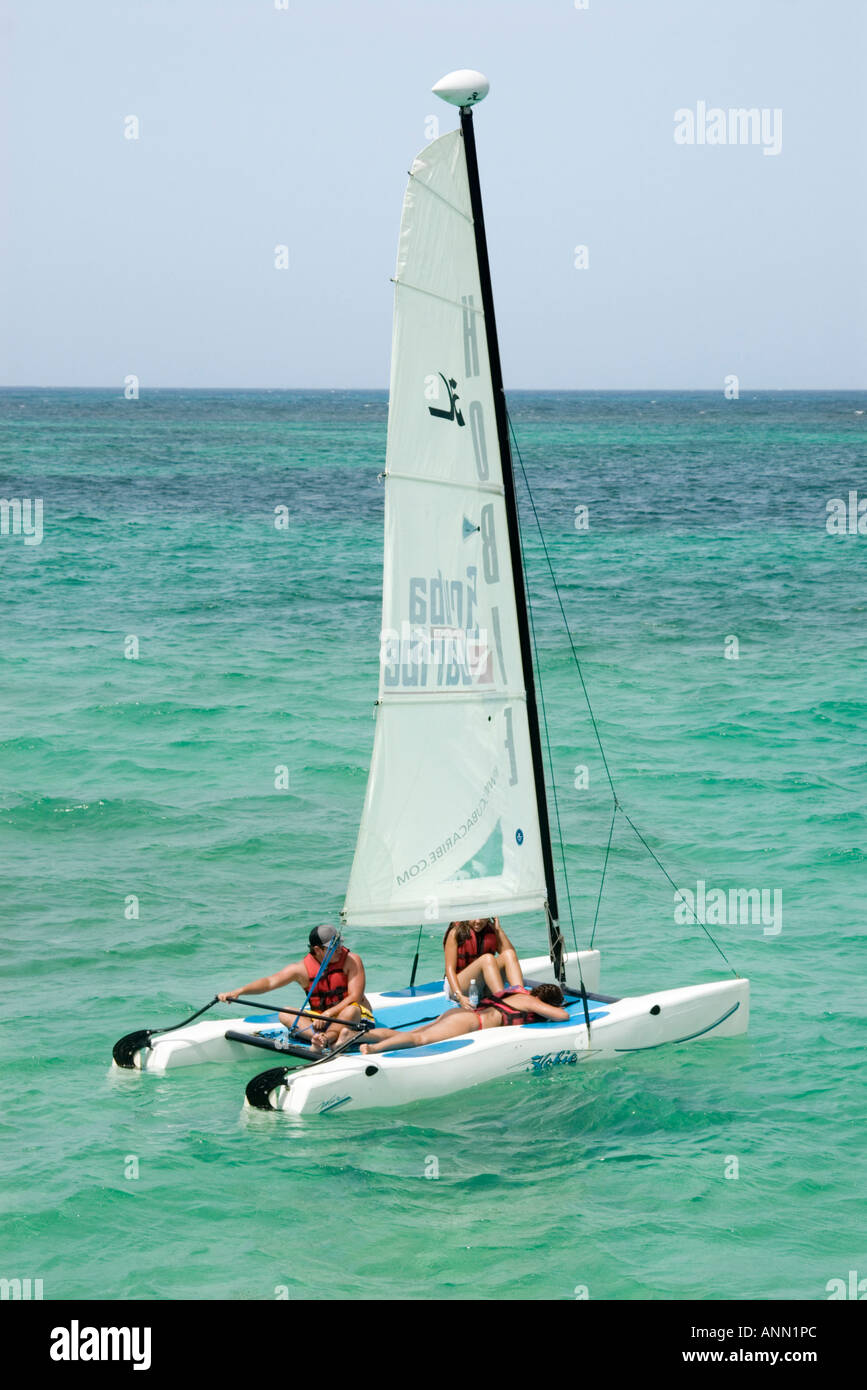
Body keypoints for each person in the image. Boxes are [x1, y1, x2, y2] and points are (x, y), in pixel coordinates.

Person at [218, 925, 373, 1050]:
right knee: (285, 1014)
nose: (339, 948)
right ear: (318, 949)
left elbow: (355, 996)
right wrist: (239, 991)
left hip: (355, 1019)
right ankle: (320, 1039)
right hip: (322, 1022)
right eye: (333, 946)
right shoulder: (301, 969)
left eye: (339, 943)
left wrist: (329, 1013)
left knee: (351, 1010)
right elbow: (270, 982)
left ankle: (325, 1039)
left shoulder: (352, 960)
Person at [360, 983, 569, 1055]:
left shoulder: (517, 995)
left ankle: (356, 1036)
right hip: (469, 1023)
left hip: (460, 1014)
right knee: (419, 1040)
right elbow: (563, 1015)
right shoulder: (530, 1001)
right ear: (545, 1001)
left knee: (407, 1034)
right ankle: (374, 1049)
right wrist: (551, 1009)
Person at [443, 917, 523, 1006]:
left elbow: (510, 955)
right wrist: (459, 996)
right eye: (473, 917)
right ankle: (503, 1003)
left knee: (509, 954)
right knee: (487, 958)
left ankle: (521, 996)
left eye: (482, 918)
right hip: (458, 987)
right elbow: (449, 969)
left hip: (481, 985)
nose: (478, 922)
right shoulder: (455, 933)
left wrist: (498, 930)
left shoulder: (490, 930)